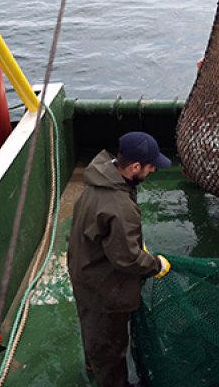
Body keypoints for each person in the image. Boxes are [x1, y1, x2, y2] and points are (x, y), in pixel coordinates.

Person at [67, 131, 173, 387]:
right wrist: (155, 264)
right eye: (150, 167)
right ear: (135, 167)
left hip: (83, 271)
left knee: (91, 327)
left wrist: (129, 241)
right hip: (104, 289)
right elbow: (127, 260)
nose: (153, 171)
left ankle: (92, 361)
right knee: (110, 346)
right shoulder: (119, 206)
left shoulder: (100, 177)